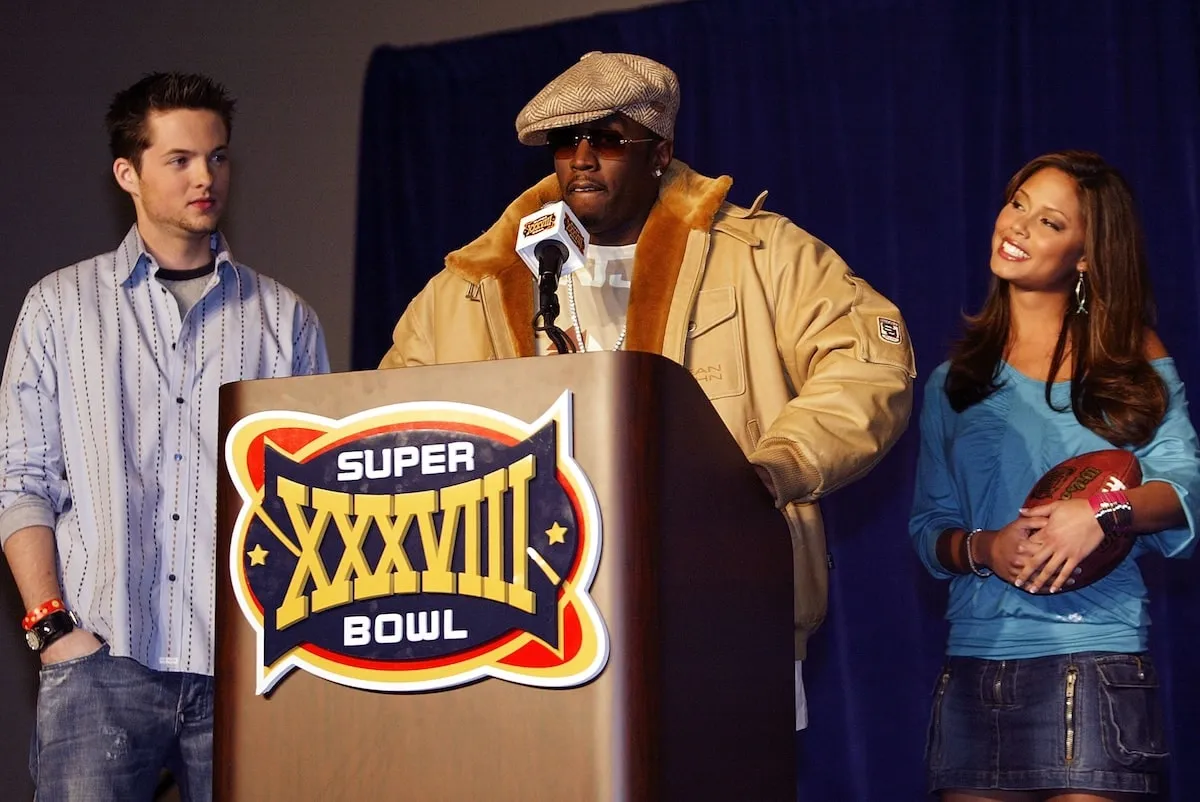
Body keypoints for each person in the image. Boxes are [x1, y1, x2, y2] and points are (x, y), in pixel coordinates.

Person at [378, 51, 916, 732]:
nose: (580, 158)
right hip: (521, 621)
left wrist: (777, 466)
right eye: (564, 142)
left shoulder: (757, 252)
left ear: (659, 152)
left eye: (606, 140)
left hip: (718, 605)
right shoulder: (475, 283)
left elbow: (870, 360)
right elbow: (389, 427)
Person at [0, 72, 329, 801]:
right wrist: (54, 632)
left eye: (216, 157)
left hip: (248, 673)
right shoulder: (58, 308)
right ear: (129, 172)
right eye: (178, 160)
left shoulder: (287, 320)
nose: (204, 177)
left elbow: (314, 504)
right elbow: (21, 481)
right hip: (101, 663)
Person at [909, 150, 1199, 799]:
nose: (1017, 227)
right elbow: (929, 531)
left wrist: (1103, 512)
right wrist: (986, 548)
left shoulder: (1129, 355)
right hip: (975, 668)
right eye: (1017, 205)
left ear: (1087, 255)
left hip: (1094, 663)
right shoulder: (952, 383)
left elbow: (1187, 487)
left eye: (1049, 221)